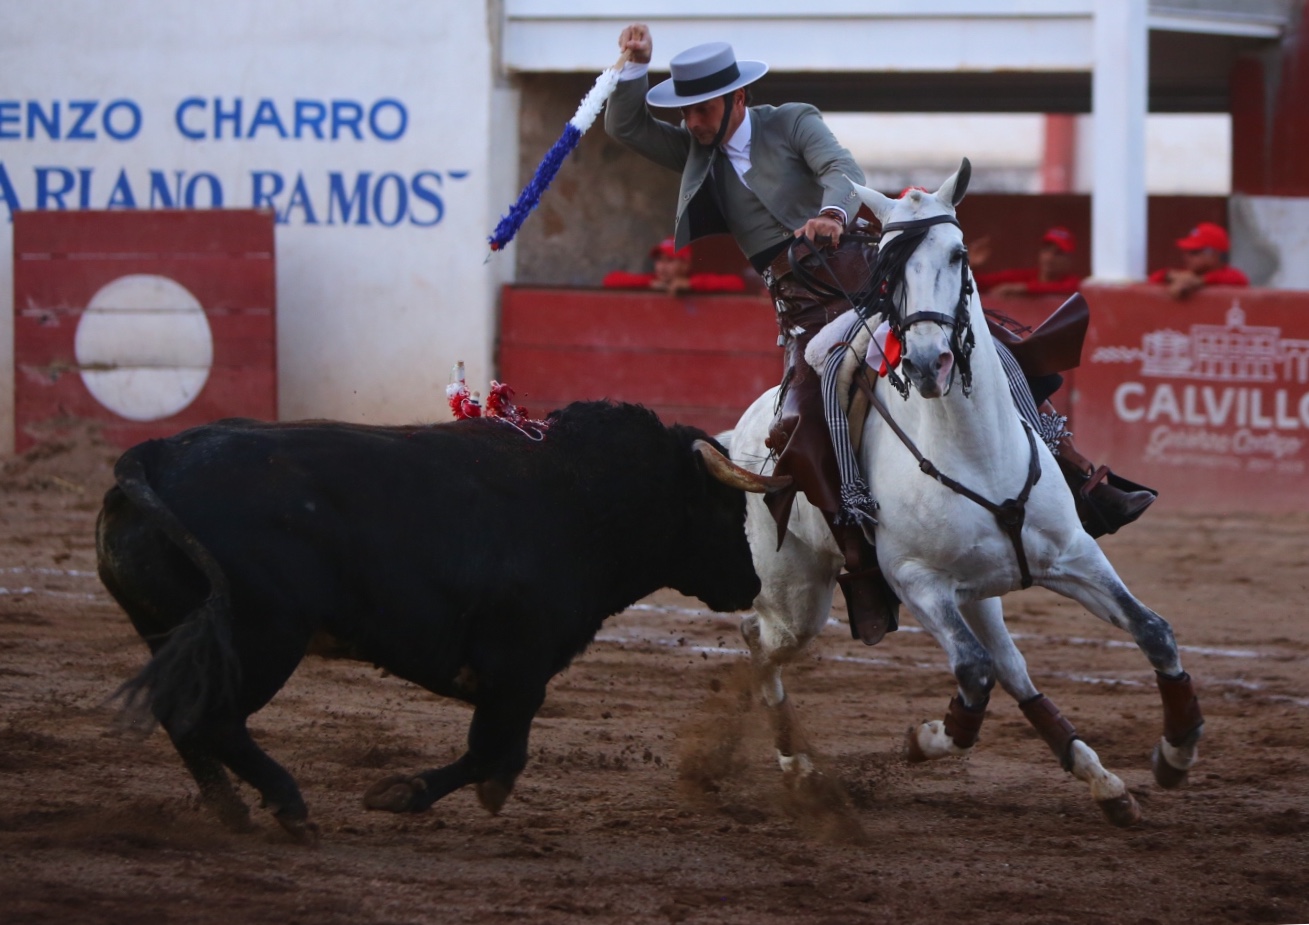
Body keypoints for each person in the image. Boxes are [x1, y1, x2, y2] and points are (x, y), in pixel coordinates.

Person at [604, 24, 1152, 646]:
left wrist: (832, 212)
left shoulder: (792, 120)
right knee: (802, 415)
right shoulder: (694, 149)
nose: (693, 122)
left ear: (737, 99)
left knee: (995, 345)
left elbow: (841, 168)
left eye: (702, 109)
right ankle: (859, 556)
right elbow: (625, 128)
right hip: (807, 311)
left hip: (871, 278)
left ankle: (1081, 476)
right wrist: (633, 67)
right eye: (686, 111)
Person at [602, 237, 747, 294]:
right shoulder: (652, 280)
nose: (662, 267)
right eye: (659, 260)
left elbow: (736, 283)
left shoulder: (694, 280)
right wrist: (650, 283)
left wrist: (690, 284)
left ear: (685, 264)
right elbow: (610, 279)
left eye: (670, 261)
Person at [971, 226, 1082, 297]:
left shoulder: (1071, 282)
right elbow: (979, 283)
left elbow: (1066, 288)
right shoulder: (1024, 276)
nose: (1049, 257)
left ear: (1069, 260)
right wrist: (970, 265)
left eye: (1058, 253)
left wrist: (1023, 289)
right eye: (1046, 250)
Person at [1148, 222, 1249, 299]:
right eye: (1186, 251)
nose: (1186, 256)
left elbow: (1239, 279)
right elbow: (1153, 279)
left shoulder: (1230, 276)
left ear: (1214, 255)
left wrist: (1199, 281)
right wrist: (1170, 276)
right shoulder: (1186, 275)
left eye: (1194, 252)